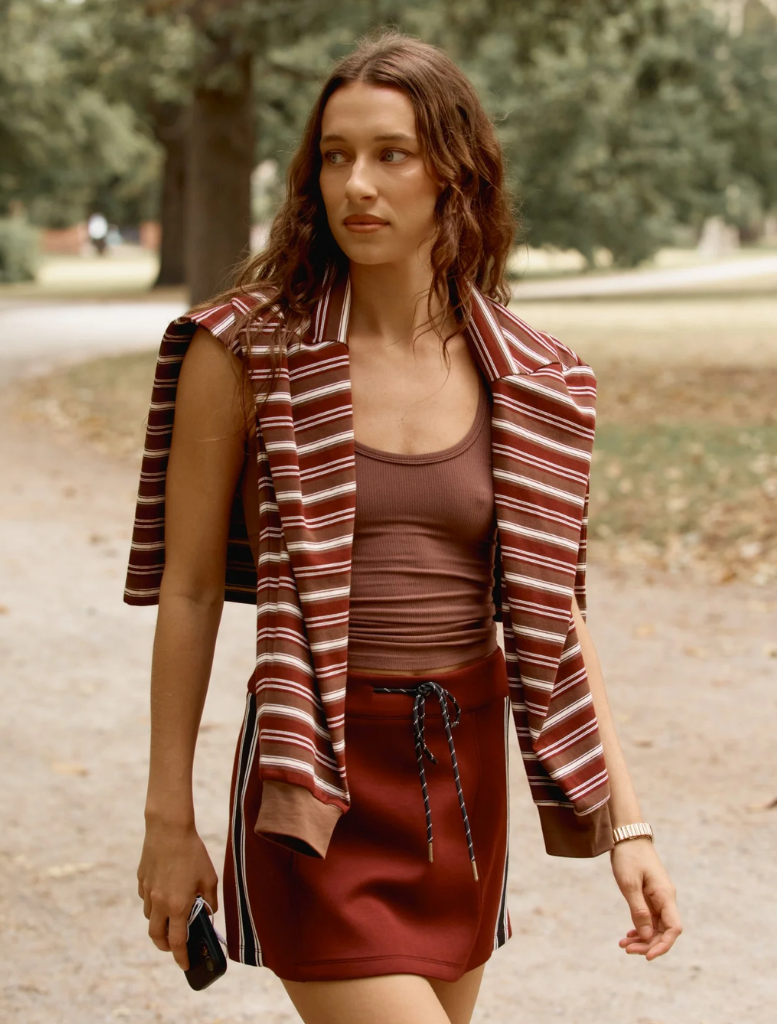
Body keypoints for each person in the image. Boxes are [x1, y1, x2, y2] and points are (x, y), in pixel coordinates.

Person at [129, 30, 682, 1024]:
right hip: (315, 779)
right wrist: (168, 813)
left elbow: (554, 619)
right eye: (336, 156)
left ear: (455, 172)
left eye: (392, 153)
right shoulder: (246, 351)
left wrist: (629, 823)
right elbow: (192, 587)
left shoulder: (531, 379)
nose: (358, 185)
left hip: (462, 783)